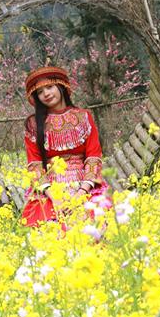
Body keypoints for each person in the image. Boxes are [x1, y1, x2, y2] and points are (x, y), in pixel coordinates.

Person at [22, 65, 112, 228]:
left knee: (95, 230)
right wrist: (54, 197)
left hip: (84, 184)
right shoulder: (33, 124)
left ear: (61, 86)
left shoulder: (83, 116)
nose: (46, 94)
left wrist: (81, 193)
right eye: (40, 92)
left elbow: (93, 156)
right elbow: (34, 164)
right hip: (50, 189)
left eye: (49, 87)